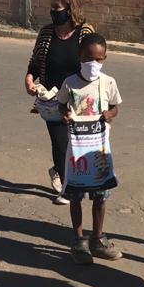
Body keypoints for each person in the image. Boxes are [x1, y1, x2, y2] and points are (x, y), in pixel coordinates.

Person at [57, 33, 123, 265]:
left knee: (100, 195)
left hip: (99, 149)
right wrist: (65, 114)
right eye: (88, 58)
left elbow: (115, 107)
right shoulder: (70, 83)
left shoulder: (108, 82)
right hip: (77, 150)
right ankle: (78, 241)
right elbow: (61, 104)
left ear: (104, 58)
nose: (93, 63)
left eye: (98, 59)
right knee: (76, 195)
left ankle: (97, 238)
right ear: (80, 56)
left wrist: (109, 114)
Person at [25, 0, 95, 204]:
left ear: (70, 10)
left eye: (57, 9)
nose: (53, 13)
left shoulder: (84, 32)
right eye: (52, 8)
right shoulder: (46, 32)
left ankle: (59, 169)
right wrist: (29, 79)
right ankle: (67, 188)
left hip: (79, 97)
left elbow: (93, 62)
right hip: (51, 98)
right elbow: (35, 61)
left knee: (78, 142)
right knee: (60, 142)